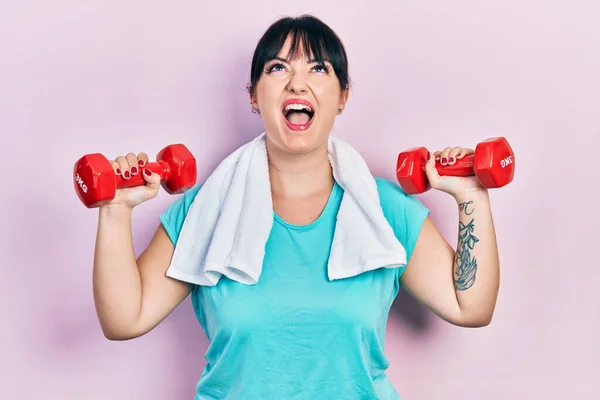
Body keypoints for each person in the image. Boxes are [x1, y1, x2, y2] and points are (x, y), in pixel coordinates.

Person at [92, 14, 501, 400]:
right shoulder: (207, 209)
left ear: (342, 97)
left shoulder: (384, 209)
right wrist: (116, 210)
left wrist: (471, 196)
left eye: (318, 68)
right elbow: (125, 319)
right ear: (253, 96)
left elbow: (471, 306)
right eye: (278, 68)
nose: (297, 84)